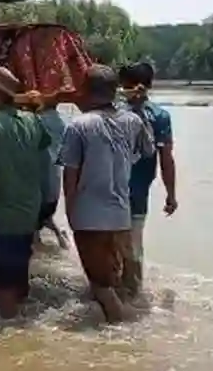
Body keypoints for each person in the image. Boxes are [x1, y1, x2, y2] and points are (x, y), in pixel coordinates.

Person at [59, 64, 155, 323]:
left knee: (100, 284)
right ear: (116, 92)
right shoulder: (133, 120)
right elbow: (148, 151)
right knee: (115, 280)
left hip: (89, 216)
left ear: (85, 90)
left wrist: (70, 212)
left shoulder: (77, 126)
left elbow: (70, 176)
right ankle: (118, 325)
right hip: (121, 214)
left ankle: (123, 335)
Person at [0, 65, 53, 318]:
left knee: (0, 285)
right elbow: (44, 158)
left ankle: (6, 331)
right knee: (18, 279)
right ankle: (20, 326)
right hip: (27, 213)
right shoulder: (32, 121)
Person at [118, 62, 178, 298]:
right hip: (137, 194)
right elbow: (166, 159)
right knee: (133, 249)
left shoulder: (110, 113)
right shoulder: (160, 116)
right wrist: (171, 194)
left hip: (105, 193)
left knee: (108, 247)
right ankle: (134, 296)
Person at [36, 97, 70, 249]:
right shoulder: (61, 122)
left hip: (40, 184)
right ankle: (62, 239)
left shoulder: (36, 121)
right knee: (47, 217)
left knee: (35, 223)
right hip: (54, 185)